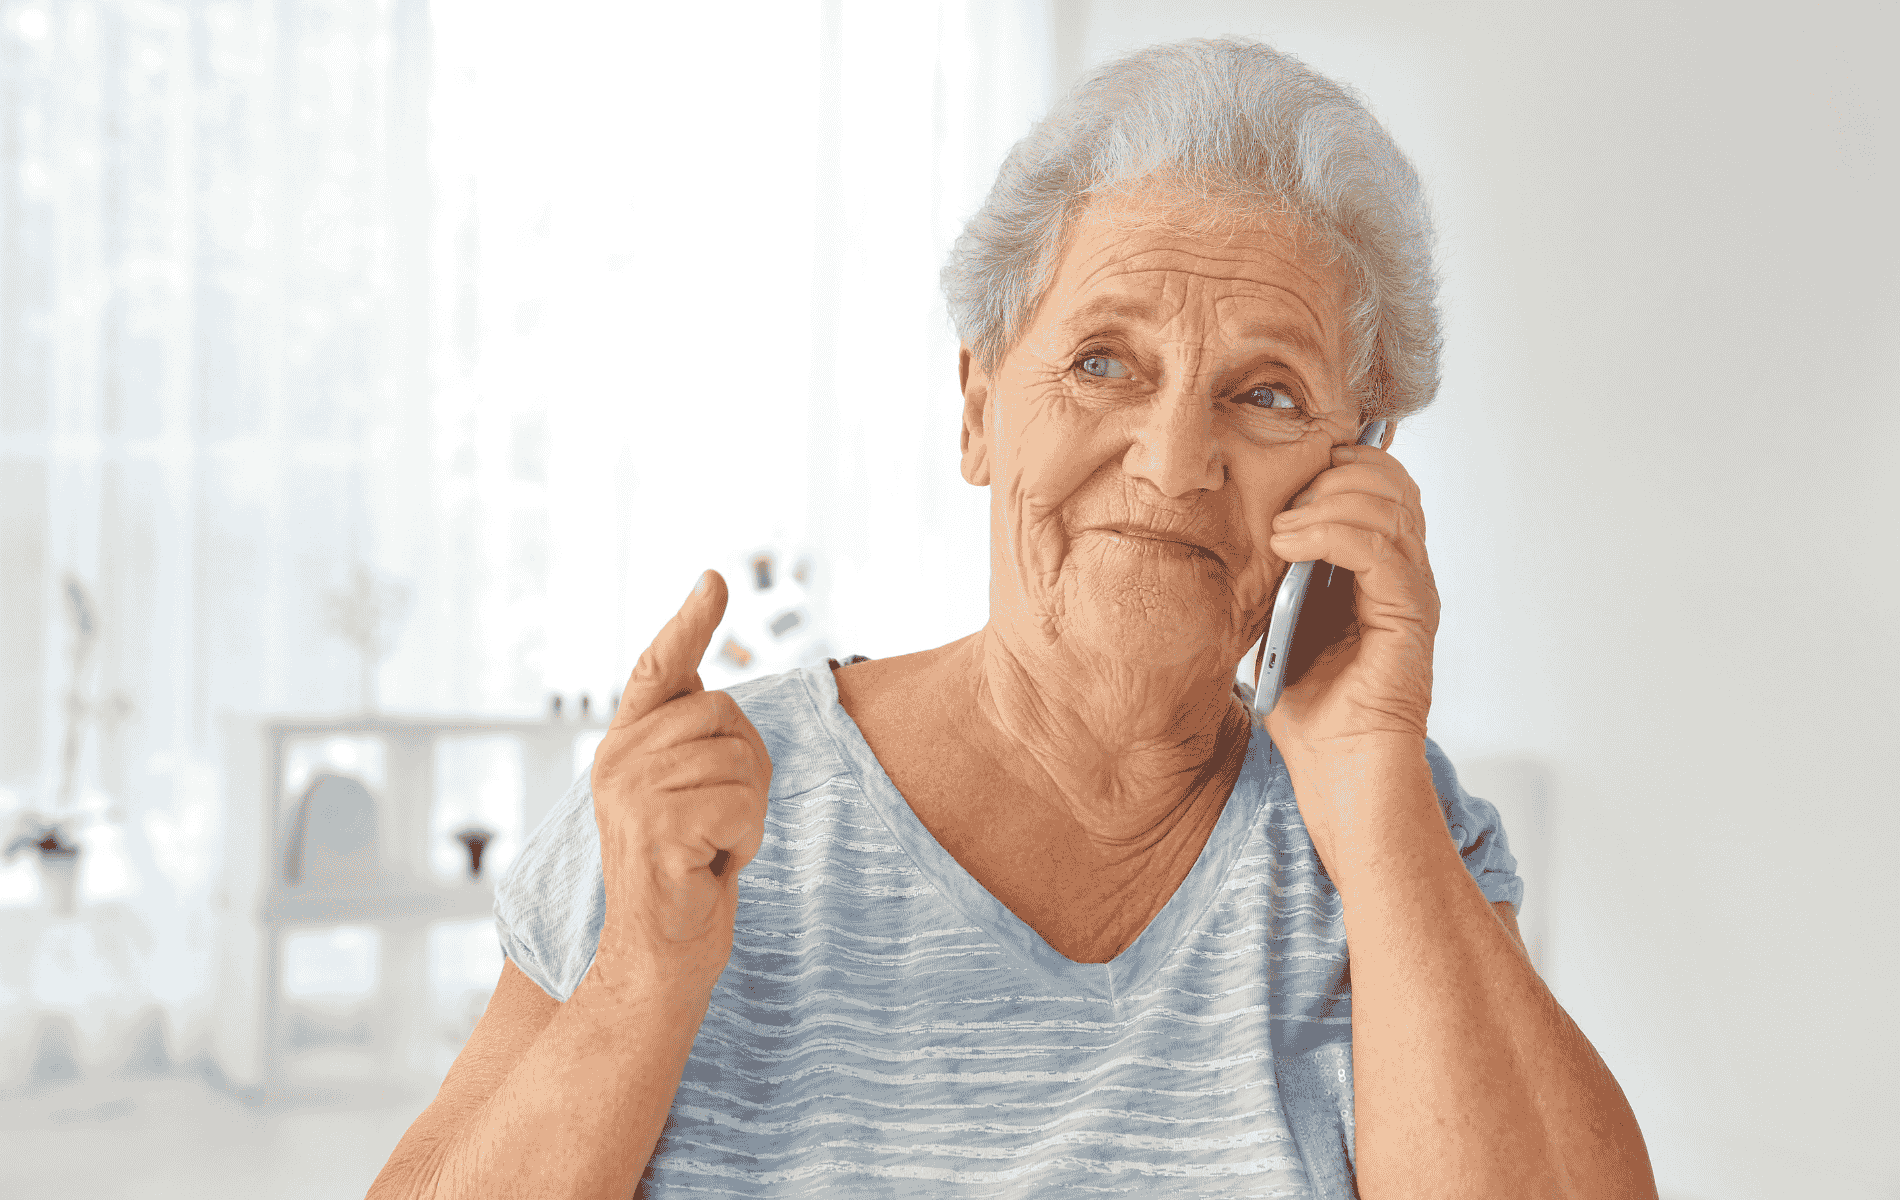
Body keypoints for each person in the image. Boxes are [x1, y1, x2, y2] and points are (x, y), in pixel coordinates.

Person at [371, 37, 1656, 1200]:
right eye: (1103, 362)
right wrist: (640, 978)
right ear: (980, 404)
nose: (1171, 460)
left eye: (1265, 394)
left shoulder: (1392, 834)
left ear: (1357, 463)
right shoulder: (698, 812)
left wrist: (1373, 789)